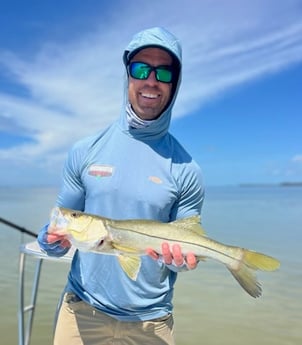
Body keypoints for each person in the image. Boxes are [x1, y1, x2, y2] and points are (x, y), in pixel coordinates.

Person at [38, 26, 204, 345]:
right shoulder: (85, 151)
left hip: (152, 323)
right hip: (81, 315)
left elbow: (188, 242)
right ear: (128, 75)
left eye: (164, 73)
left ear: (175, 83)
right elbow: (60, 219)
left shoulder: (187, 169)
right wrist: (50, 239)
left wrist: (183, 262)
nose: (151, 81)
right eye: (141, 69)